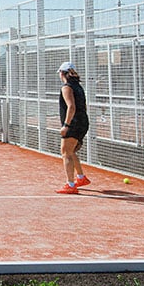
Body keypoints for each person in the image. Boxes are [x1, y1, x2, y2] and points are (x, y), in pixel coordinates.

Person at [56, 61, 91, 194]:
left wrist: (66, 125)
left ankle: (70, 184)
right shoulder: (78, 87)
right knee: (71, 151)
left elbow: (71, 107)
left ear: (63, 73)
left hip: (74, 123)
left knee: (66, 153)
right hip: (82, 122)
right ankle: (81, 178)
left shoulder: (67, 87)